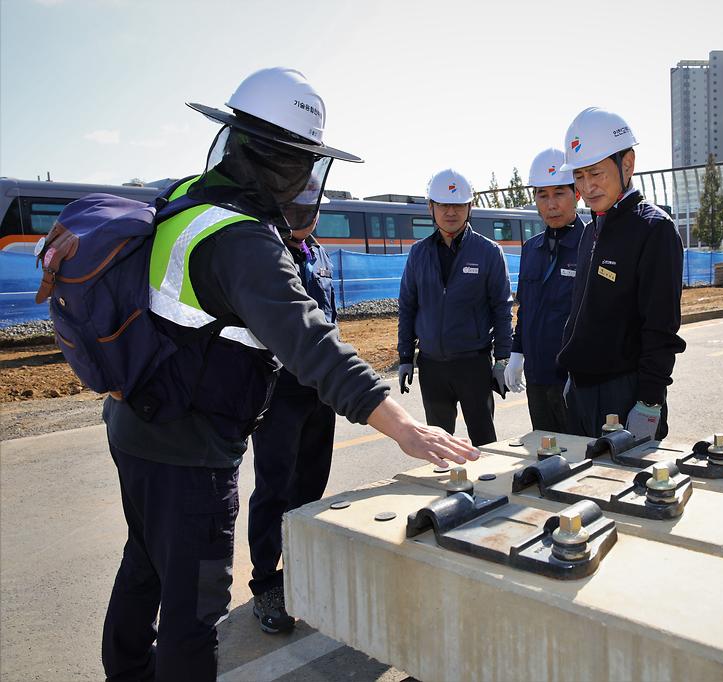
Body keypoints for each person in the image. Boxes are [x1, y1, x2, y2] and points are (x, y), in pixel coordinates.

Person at [101, 67, 477, 682]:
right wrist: (405, 428)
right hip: (188, 446)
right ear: (281, 162)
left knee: (143, 564)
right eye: (303, 164)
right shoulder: (242, 239)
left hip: (136, 423)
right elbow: (312, 345)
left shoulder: (190, 198)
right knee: (195, 607)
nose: (307, 181)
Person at [557, 107, 686, 440]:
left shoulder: (653, 230)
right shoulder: (591, 230)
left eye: (596, 173)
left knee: (623, 489)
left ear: (626, 164)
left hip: (625, 393)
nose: (587, 187)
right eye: (579, 176)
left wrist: (650, 401)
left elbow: (661, 327)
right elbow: (581, 312)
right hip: (582, 391)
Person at [247, 204, 337, 635]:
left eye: (311, 207)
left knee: (310, 486)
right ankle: (266, 581)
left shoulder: (318, 251)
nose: (305, 215)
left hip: (319, 391)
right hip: (278, 392)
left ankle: (300, 571)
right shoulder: (261, 250)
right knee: (274, 488)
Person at [397, 168, 513, 446]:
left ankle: (487, 488)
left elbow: (502, 309)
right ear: (431, 208)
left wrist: (503, 359)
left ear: (470, 207)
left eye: (458, 205)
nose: (451, 212)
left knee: (485, 441)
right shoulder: (419, 253)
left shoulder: (488, 252)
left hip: (473, 364)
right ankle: (447, 489)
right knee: (438, 442)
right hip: (432, 366)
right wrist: (404, 357)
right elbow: (408, 306)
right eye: (444, 205)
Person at [503, 148, 584, 432]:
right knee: (544, 454)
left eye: (559, 193)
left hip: (574, 377)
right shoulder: (531, 249)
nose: (551, 204)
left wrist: (583, 370)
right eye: (542, 194)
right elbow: (526, 308)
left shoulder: (592, 245)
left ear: (577, 193)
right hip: (537, 376)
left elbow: (598, 318)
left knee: (579, 458)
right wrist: (516, 354)